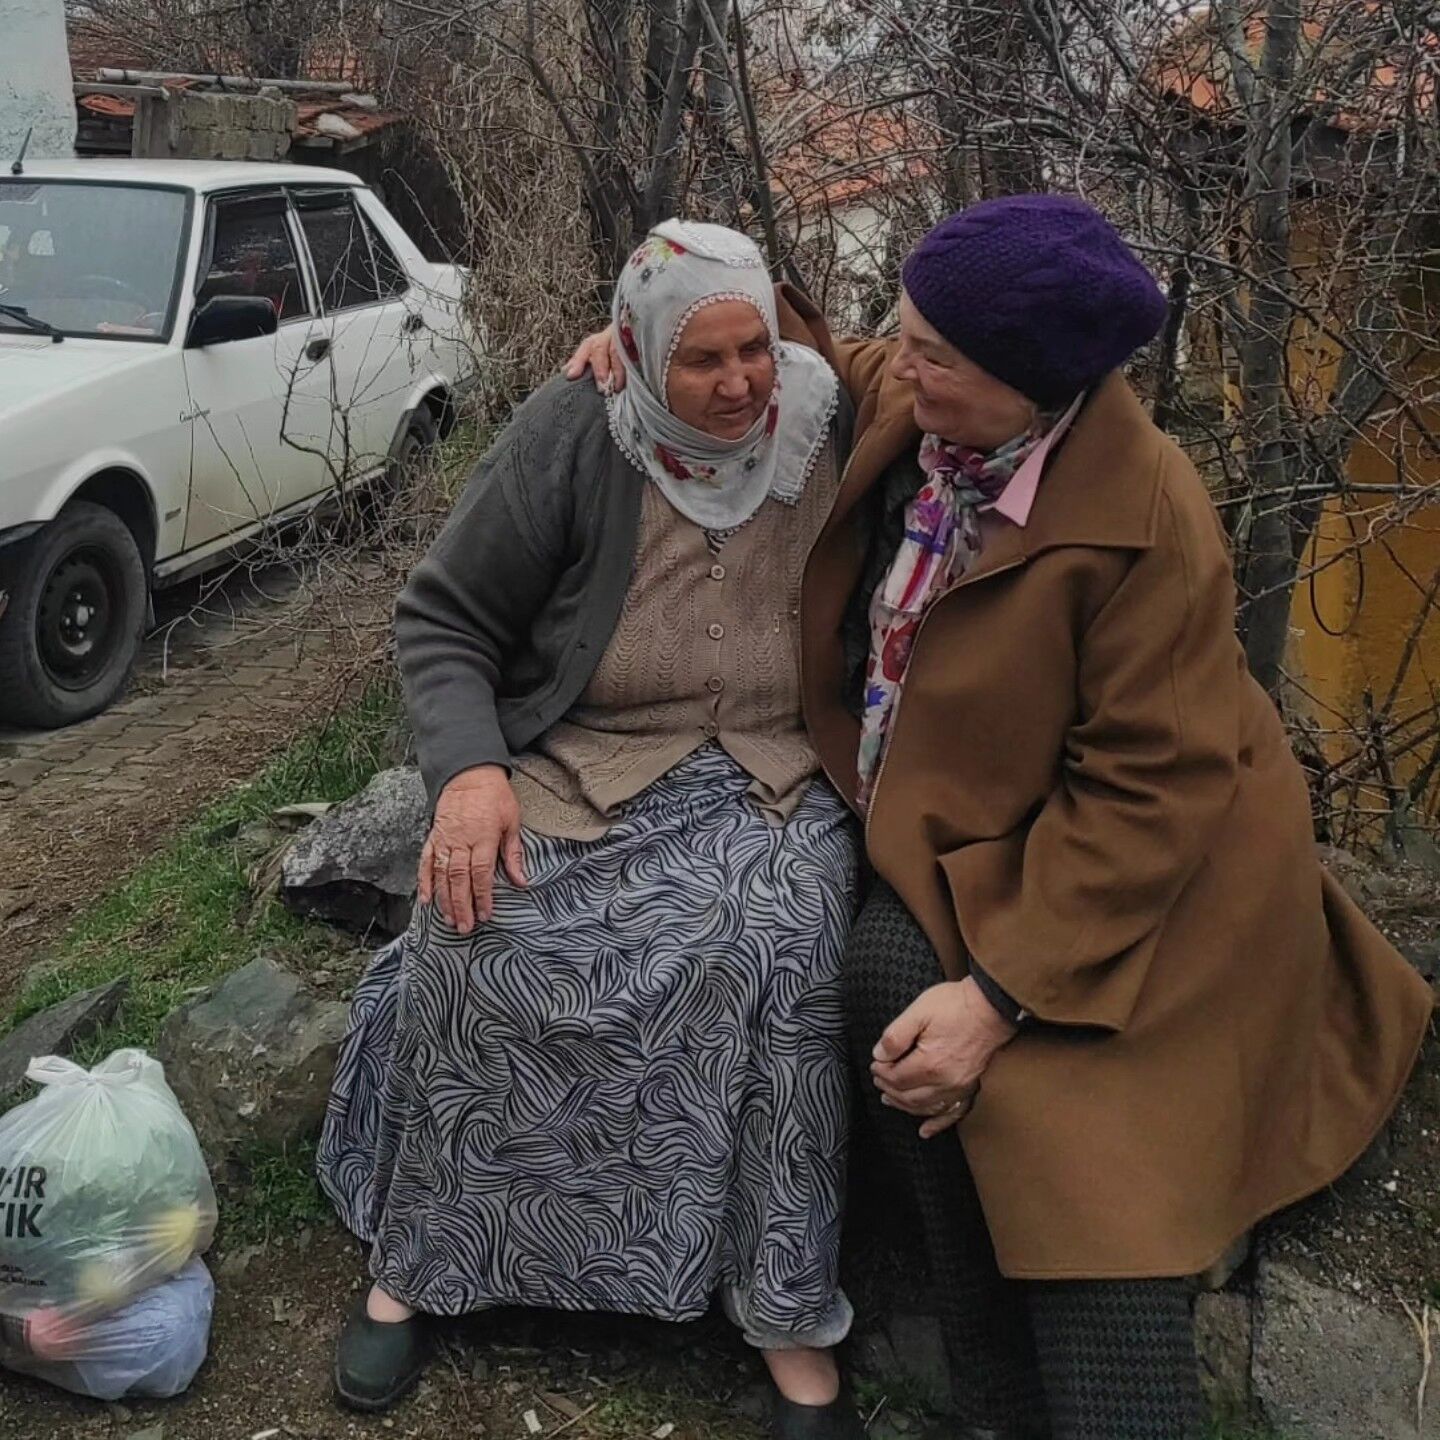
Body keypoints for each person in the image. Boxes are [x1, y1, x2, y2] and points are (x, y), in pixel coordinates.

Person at [567, 194, 1435, 1440]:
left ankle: (1089, 1382)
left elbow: (1151, 792)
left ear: (1029, 386)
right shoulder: (936, 412)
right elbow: (818, 350)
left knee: (1080, 1156)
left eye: (934, 355)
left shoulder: (1145, 521)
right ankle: (989, 1376)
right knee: (882, 986)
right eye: (910, 337)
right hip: (972, 842)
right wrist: (646, 337)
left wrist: (999, 997)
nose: (900, 365)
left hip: (1140, 876)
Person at [317, 219, 870, 1440]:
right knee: (473, 930)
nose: (738, 384)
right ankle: (421, 1263)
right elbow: (445, 617)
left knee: (780, 952)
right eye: (700, 359)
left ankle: (786, 1319)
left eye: (753, 350)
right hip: (590, 760)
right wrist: (470, 775)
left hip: (773, 775)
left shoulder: (836, 418)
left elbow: (953, 375)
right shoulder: (580, 424)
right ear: (637, 347)